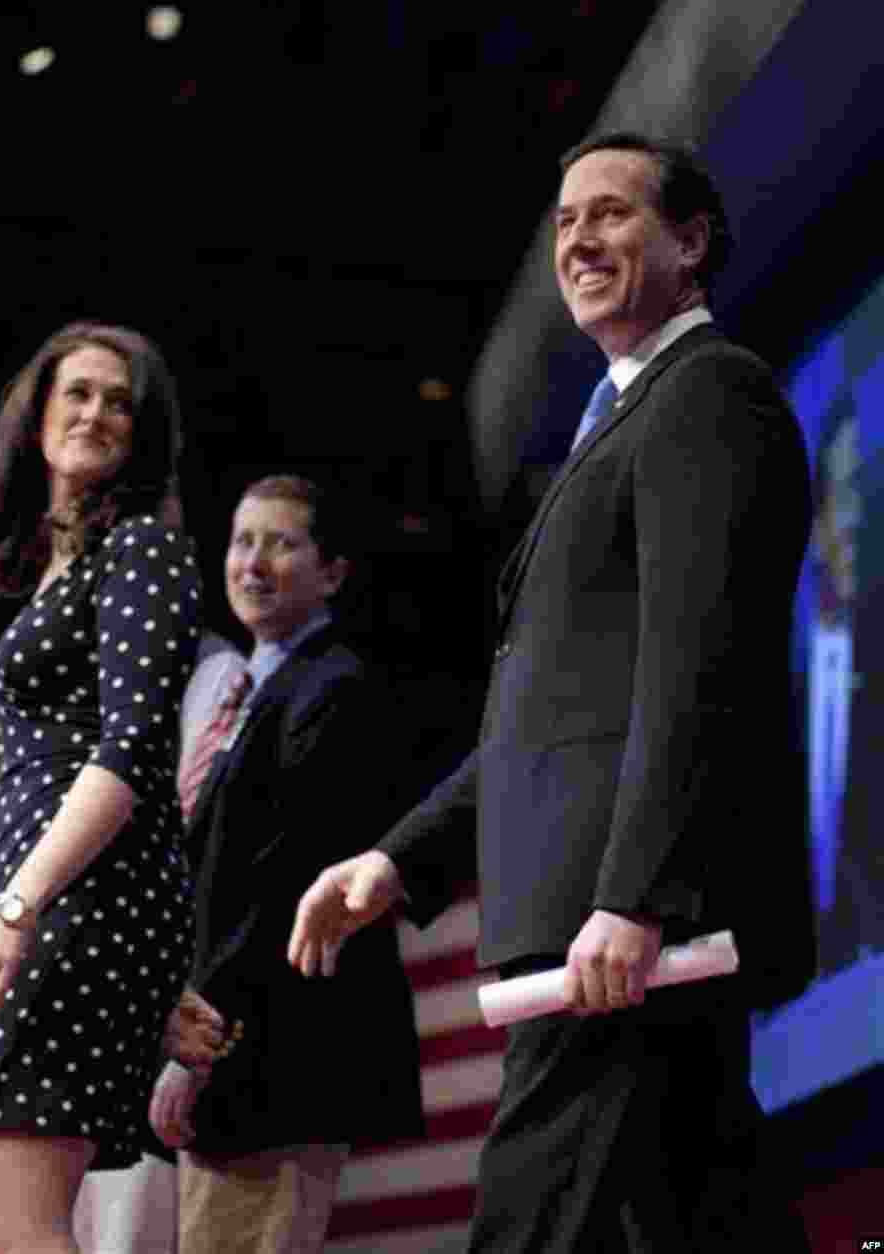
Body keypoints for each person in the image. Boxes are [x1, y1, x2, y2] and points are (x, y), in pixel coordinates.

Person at [288, 134, 816, 1252]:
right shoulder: (623, 418)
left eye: (611, 215)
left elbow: (696, 657)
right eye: (565, 221)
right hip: (602, 919)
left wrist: (639, 897)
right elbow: (550, 717)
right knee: (703, 1208)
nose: (578, 240)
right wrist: (400, 859)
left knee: (530, 1218)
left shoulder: (707, 395)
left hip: (618, 927)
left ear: (690, 240)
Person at [0, 321, 204, 1254]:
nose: (96, 414)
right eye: (78, 393)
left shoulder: (143, 551)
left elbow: (132, 753)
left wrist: (16, 911)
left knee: (17, 1220)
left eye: (120, 401)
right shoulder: (62, 569)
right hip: (48, 898)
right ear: (37, 413)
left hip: (68, 903)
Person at [149, 475, 424, 1254]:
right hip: (242, 1067)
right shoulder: (249, 689)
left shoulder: (333, 688)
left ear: (332, 571)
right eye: (242, 540)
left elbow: (274, 891)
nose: (253, 562)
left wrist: (199, 1045)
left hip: (275, 1066)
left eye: (282, 542)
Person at [71, 631, 247, 1254]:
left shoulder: (214, 676)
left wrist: (185, 1050)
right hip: (85, 1025)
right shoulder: (85, 679)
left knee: (128, 1234)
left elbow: (202, 863)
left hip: (155, 1017)